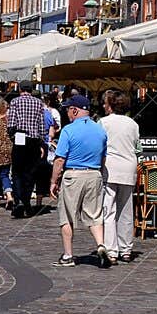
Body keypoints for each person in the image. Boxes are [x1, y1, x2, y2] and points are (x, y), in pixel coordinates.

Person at [50, 94, 111, 268]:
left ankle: (68, 255)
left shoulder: (69, 130)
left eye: (68, 109)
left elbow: (60, 159)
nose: (67, 113)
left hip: (73, 175)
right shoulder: (100, 130)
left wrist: (54, 181)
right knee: (95, 215)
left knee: (67, 216)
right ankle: (100, 245)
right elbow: (103, 158)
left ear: (75, 110)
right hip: (94, 174)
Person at [100, 92, 140, 262]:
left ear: (111, 105)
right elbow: (137, 146)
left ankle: (111, 250)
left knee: (108, 210)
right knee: (126, 209)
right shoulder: (133, 124)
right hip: (128, 167)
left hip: (110, 167)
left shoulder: (104, 122)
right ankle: (126, 249)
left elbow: (99, 144)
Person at [7, 81, 49, 217]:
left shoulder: (15, 101)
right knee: (30, 174)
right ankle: (26, 203)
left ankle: (18, 200)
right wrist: (42, 143)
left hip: (20, 137)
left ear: (20, 89)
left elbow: (11, 122)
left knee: (17, 172)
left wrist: (11, 134)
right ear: (31, 89)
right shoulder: (38, 103)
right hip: (34, 140)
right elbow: (42, 126)